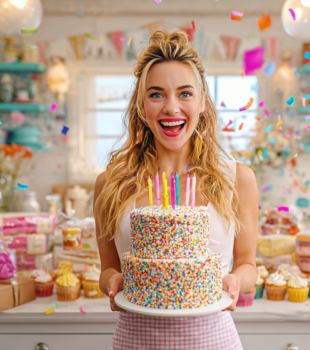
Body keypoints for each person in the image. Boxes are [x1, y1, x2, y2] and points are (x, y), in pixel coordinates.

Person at [94, 30, 258, 350]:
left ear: (201, 103)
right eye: (156, 94)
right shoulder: (110, 184)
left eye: (185, 94)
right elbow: (108, 268)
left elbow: (247, 264)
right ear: (141, 106)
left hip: (213, 341)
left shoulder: (237, 179)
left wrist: (236, 281)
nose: (171, 108)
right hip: (136, 341)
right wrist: (112, 282)